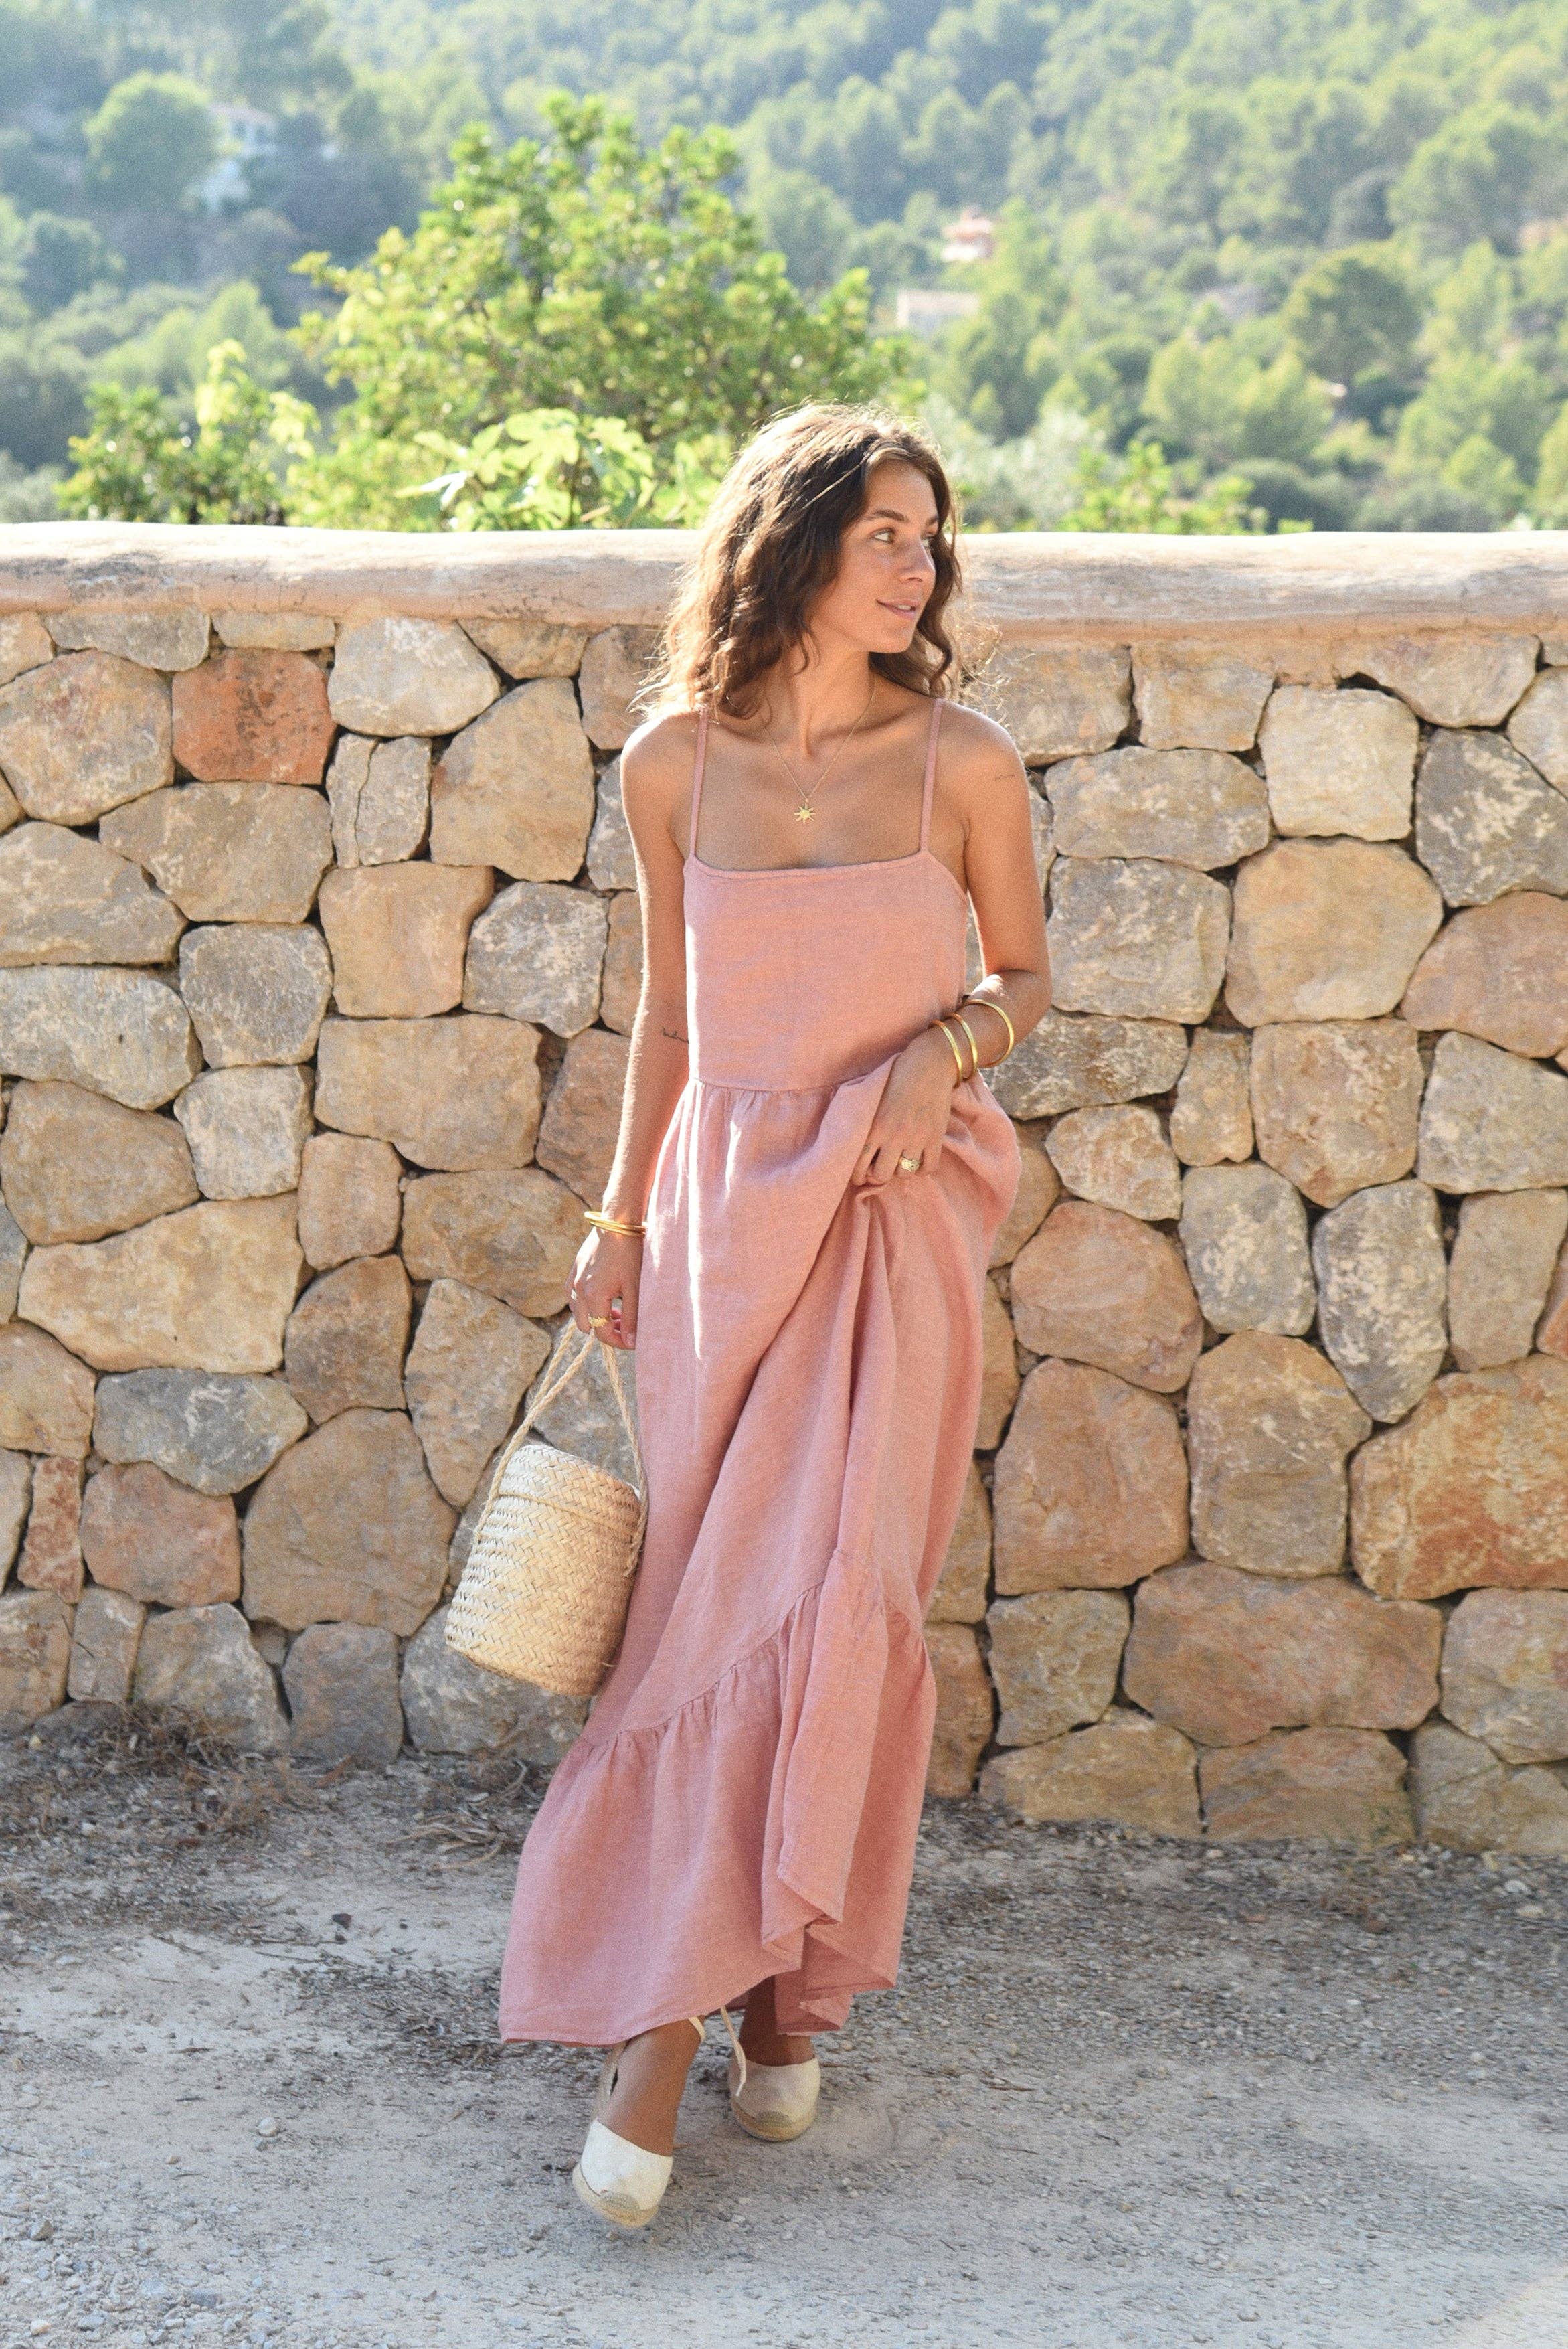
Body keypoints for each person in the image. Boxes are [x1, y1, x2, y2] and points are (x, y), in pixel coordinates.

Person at [497, 403, 1052, 2229]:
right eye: (884, 533)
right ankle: (757, 1995)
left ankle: (684, 2030)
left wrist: (940, 1052)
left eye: (930, 538)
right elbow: (668, 1019)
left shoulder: (963, 762)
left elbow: (1027, 977)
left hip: (893, 1225)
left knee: (827, 1593)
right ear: (793, 545)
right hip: (723, 1226)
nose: (918, 566)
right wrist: (616, 1221)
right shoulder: (673, 764)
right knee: (707, 1607)